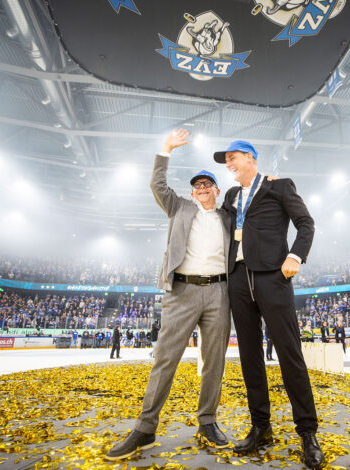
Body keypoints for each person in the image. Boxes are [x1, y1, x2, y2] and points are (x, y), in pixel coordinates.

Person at [106, 129, 233, 461]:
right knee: (165, 359)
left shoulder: (228, 216)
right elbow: (157, 185)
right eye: (197, 185)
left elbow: (253, 204)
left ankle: (208, 421)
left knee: (214, 363)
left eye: (208, 184)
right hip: (181, 291)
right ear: (191, 192)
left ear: (217, 191)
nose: (202, 188)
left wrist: (270, 183)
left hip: (220, 292)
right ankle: (145, 427)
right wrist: (166, 149)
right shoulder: (179, 207)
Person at [215, 140, 324, 469]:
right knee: (249, 357)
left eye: (232, 157)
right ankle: (261, 426)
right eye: (225, 160)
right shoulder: (231, 196)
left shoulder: (279, 186)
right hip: (238, 278)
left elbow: (306, 223)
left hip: (272, 277)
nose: (228, 164)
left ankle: (307, 432)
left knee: (290, 353)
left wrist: (295, 256)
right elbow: (219, 223)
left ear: (250, 157)